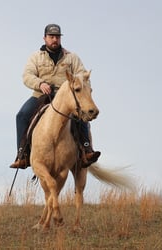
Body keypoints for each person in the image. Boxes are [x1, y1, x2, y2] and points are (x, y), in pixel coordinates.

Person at [10, 24, 100, 169]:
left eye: (57, 37)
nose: (54, 40)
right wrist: (40, 84)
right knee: (21, 115)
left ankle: (87, 150)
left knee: (81, 115)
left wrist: (78, 82)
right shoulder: (35, 57)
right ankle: (22, 155)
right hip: (41, 95)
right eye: (51, 37)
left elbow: (83, 75)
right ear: (44, 38)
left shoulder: (71, 58)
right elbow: (27, 75)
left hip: (66, 97)